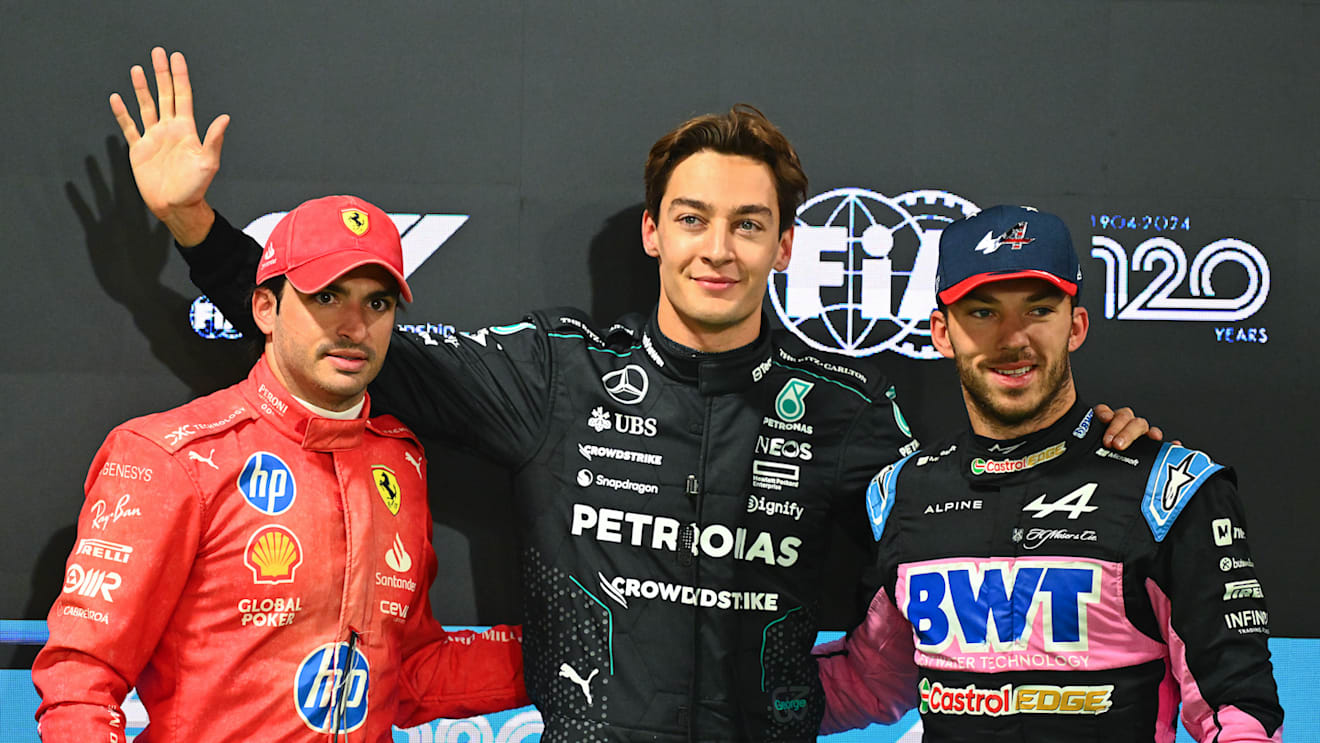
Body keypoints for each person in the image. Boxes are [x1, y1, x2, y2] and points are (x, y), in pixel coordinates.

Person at [108, 47, 1159, 742]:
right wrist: (201, 231)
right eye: (693, 218)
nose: (718, 246)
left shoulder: (842, 404)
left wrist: (1088, 450)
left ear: (785, 247)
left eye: (748, 224)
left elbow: (961, 520)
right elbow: (342, 330)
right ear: (653, 230)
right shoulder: (555, 374)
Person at [32, 194, 528, 742]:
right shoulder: (169, 455)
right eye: (327, 297)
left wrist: (588, 650)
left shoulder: (399, 461)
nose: (354, 327)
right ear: (265, 308)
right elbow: (81, 680)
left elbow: (406, 673)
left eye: (378, 303)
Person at [813, 205, 1283, 741]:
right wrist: (727, 692)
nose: (1013, 339)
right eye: (984, 313)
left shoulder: (1168, 491)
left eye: (1038, 310)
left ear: (1075, 325)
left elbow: (1236, 712)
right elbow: (871, 681)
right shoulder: (903, 494)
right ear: (942, 333)